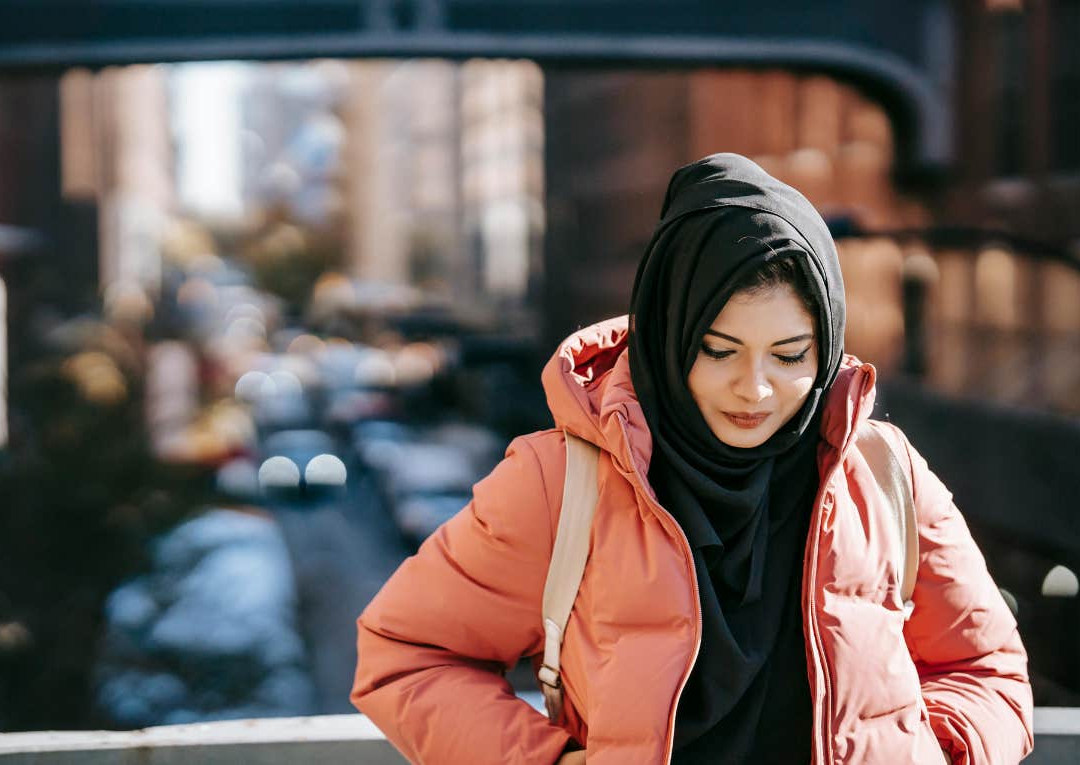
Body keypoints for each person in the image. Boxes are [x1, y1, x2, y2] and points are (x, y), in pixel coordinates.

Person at [351, 153, 1033, 764]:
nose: (756, 388)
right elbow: (404, 653)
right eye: (719, 349)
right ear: (670, 335)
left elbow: (988, 667)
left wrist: (943, 753)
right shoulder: (562, 483)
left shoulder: (882, 476)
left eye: (791, 355)